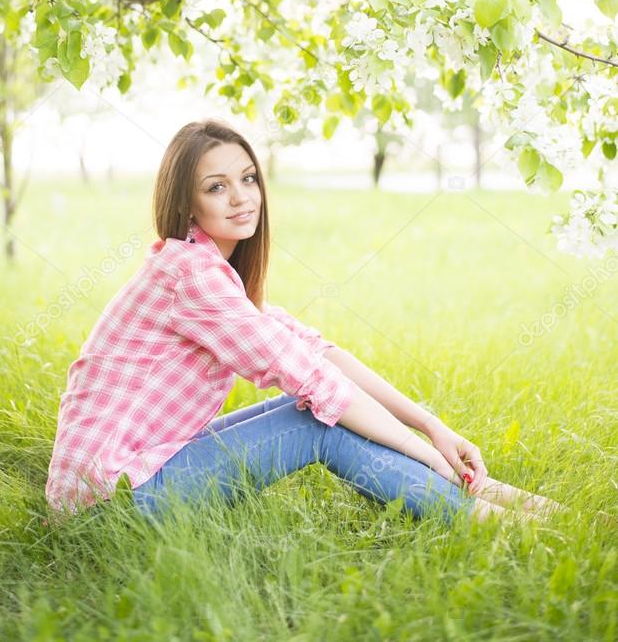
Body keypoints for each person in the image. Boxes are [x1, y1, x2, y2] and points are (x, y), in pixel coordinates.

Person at [46, 118, 566, 526]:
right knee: (316, 420)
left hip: (132, 475)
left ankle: (485, 495)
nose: (242, 197)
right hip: (107, 505)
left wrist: (431, 426)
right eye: (217, 187)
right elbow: (319, 385)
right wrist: (431, 456)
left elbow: (315, 352)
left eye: (247, 178)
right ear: (187, 201)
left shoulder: (205, 269)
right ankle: (481, 515)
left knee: (310, 405)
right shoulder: (190, 275)